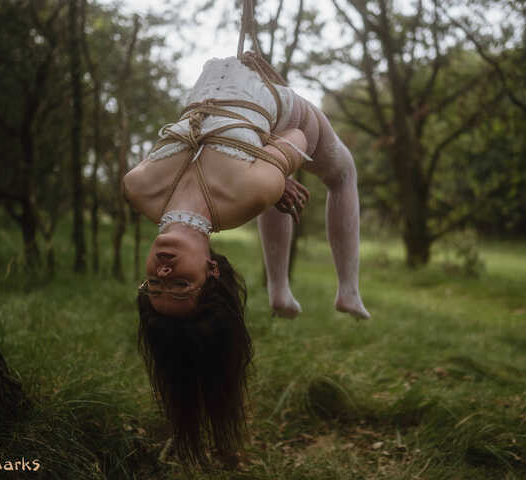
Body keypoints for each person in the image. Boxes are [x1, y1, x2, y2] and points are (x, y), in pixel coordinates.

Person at [123, 52, 370, 467]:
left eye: (156, 285)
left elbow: (289, 144)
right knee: (341, 173)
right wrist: (270, 173)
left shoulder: (139, 187)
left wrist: (274, 171)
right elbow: (296, 133)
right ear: (211, 271)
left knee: (276, 186)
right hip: (229, 85)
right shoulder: (140, 185)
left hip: (245, 95)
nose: (163, 271)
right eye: (180, 284)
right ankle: (340, 288)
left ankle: (298, 289)